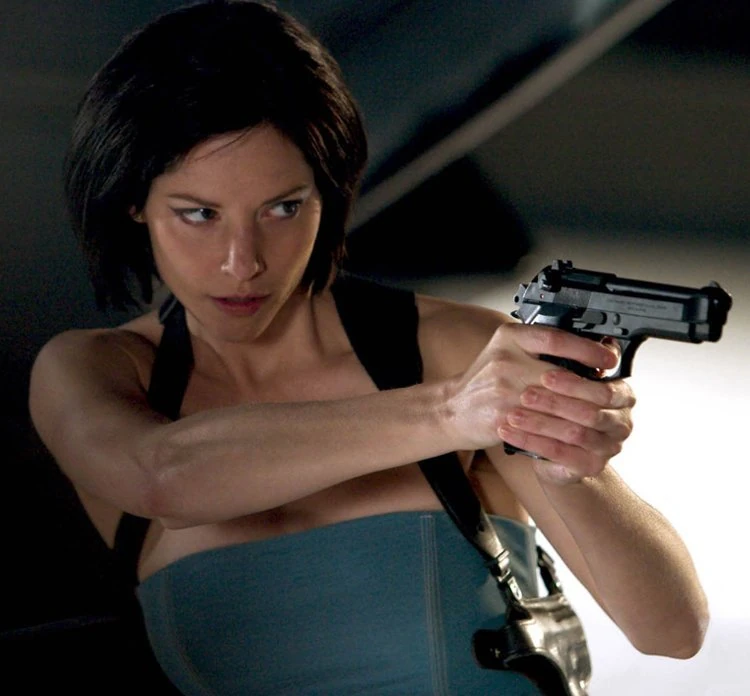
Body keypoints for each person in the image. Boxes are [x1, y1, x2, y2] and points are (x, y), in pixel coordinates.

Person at [29, 1, 708, 694]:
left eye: (283, 208)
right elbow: (162, 479)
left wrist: (574, 475)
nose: (243, 261)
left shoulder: (457, 351)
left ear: (327, 196)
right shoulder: (96, 372)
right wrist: (450, 414)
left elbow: (672, 631)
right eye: (199, 214)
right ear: (134, 203)